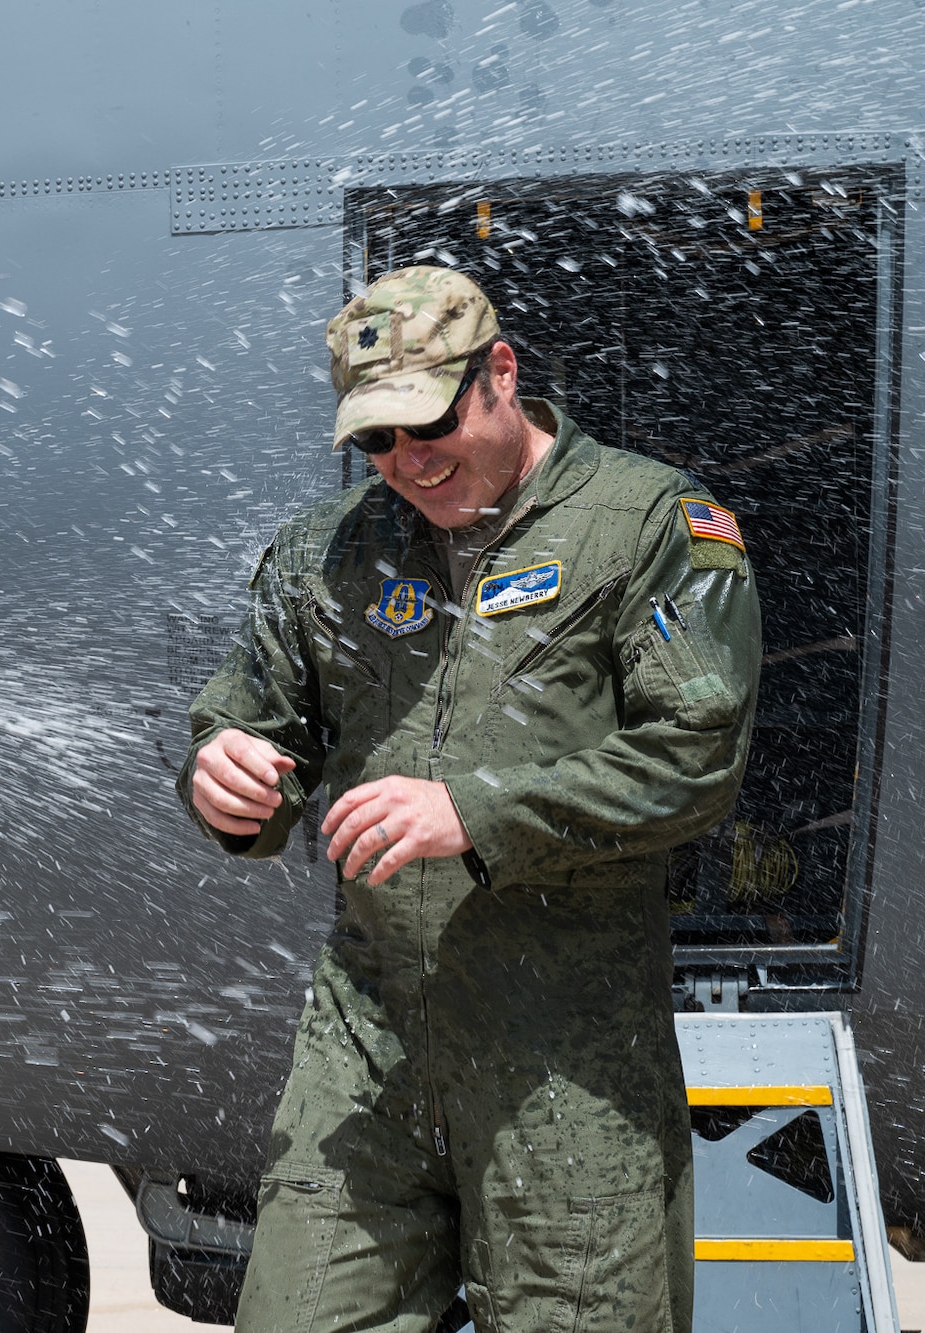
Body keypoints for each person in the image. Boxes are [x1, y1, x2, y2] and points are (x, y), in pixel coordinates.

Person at [180, 266, 762, 1333]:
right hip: (365, 1054)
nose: (408, 462)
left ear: (500, 373)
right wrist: (224, 775)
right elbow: (253, 725)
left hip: (565, 1065)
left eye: (429, 424)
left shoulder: (646, 525)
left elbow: (693, 757)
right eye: (376, 442)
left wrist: (476, 811)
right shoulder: (334, 549)